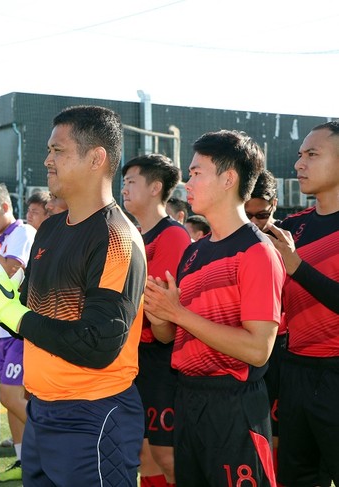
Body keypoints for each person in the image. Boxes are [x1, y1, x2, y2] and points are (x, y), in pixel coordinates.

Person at [0, 106, 147, 485]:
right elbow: (30, 314)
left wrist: (11, 313)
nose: (47, 160)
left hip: (94, 414)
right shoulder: (52, 228)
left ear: (96, 158)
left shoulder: (116, 239)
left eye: (58, 151)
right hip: (41, 408)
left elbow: (97, 343)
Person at [144, 130, 285, 486]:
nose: (187, 182)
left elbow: (257, 349)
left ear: (228, 179)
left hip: (234, 407)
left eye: (196, 172)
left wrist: (178, 314)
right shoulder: (194, 251)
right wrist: (160, 314)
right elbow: (172, 336)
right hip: (189, 398)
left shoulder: (257, 252)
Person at [267, 121, 339, 487]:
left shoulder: (290, 244)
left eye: (312, 154)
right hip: (294, 370)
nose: (299, 164)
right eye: (299, 155)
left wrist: (296, 265)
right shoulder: (291, 228)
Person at [122, 153, 191, 487]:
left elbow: (156, 300)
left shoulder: (173, 235)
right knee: (144, 455)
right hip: (136, 359)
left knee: (168, 456)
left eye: (131, 182)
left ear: (156, 188)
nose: (124, 189)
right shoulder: (133, 234)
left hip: (163, 359)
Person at [0, 181, 36, 482]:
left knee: (10, 396)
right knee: (11, 399)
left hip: (18, 328)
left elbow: (13, 272)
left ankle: (51, 440)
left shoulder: (22, 232)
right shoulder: (1, 237)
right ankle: (23, 459)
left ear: (4, 206)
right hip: (0, 329)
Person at [244, 169, 282, 468]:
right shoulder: (226, 243)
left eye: (262, 214)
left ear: (275, 204)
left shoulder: (287, 242)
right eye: (248, 214)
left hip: (285, 357)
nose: (255, 222)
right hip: (242, 359)